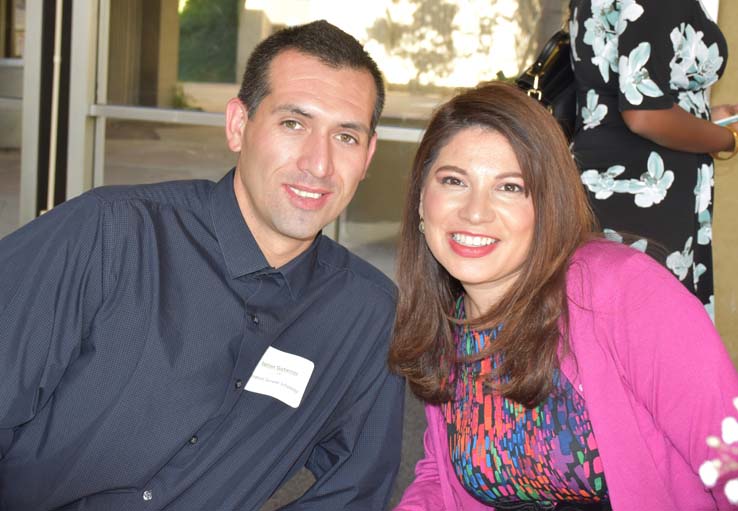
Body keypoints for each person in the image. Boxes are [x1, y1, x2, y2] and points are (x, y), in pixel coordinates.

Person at [0, 20, 404, 511]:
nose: (318, 164)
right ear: (238, 125)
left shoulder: (366, 315)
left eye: (345, 136)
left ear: (368, 156)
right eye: (293, 124)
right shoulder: (110, 234)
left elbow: (353, 490)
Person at [389, 81, 738, 510]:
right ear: (422, 201)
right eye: (454, 181)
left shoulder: (625, 292)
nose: (475, 211)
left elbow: (730, 462)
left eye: (510, 187)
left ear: (548, 206)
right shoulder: (452, 325)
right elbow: (440, 478)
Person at [568, 0, 738, 315]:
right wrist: (729, 139)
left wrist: (703, 118)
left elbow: (619, 93)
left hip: (612, 187)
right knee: (653, 339)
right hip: (646, 198)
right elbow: (644, 114)